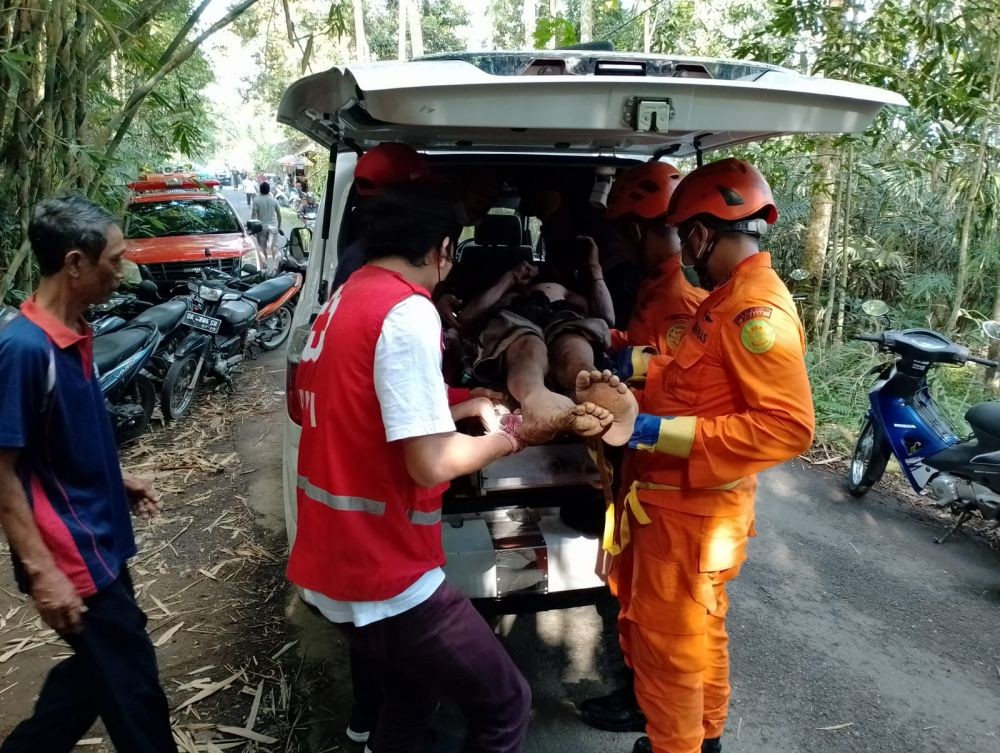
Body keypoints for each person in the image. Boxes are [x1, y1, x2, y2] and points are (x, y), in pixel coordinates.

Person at [288, 189, 626, 753]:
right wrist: (515, 435)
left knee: (415, 690)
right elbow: (431, 463)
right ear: (443, 250)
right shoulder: (408, 310)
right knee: (505, 706)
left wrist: (460, 400)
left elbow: (370, 402)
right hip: (385, 570)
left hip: (333, 556)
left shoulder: (349, 297)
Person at [609, 159, 815, 753]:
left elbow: (786, 428)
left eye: (683, 234)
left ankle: (675, 745)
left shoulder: (757, 313)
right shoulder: (726, 300)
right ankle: (705, 737)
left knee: (668, 646)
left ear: (700, 233)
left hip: (691, 517)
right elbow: (702, 375)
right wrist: (638, 364)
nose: (682, 248)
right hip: (678, 513)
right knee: (701, 634)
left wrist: (649, 430)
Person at [0, 195, 174, 753]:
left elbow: (51, 447)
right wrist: (42, 571)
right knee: (135, 691)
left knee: (98, 675)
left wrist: (116, 481)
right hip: (70, 556)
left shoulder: (73, 330)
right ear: (75, 263)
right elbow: (2, 469)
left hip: (99, 538)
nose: (121, 273)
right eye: (114, 261)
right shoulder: (24, 350)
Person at [579, 161, 709, 735]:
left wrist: (631, 412)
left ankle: (655, 715)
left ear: (634, 232)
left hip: (667, 482)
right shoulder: (658, 292)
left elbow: (678, 397)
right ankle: (650, 703)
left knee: (666, 624)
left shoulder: (683, 303)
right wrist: (607, 348)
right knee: (636, 599)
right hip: (643, 474)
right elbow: (648, 355)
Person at [459, 235, 638, 446]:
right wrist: (511, 278)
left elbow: (607, 319)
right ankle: (537, 399)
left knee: (573, 350)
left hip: (564, 318)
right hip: (518, 317)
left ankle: (594, 388)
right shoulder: (508, 291)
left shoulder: (569, 292)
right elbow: (467, 317)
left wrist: (594, 268)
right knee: (528, 346)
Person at [251, 181, 283, 273]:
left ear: (260, 190)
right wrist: (279, 226)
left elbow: (254, 215)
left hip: (261, 228)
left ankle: (265, 267)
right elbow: (279, 215)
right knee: (274, 247)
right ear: (269, 190)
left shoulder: (256, 200)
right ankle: (275, 268)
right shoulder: (274, 200)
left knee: (262, 247)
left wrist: (253, 227)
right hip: (273, 227)